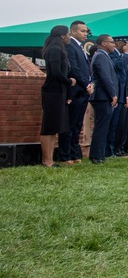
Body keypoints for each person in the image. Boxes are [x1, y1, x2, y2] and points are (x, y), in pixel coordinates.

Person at [60, 20, 93, 164]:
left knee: (78, 125)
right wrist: (86, 83)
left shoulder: (80, 48)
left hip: (83, 91)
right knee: (70, 124)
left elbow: (86, 69)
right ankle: (64, 155)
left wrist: (90, 83)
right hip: (75, 91)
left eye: (86, 31)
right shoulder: (70, 46)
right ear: (73, 31)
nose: (85, 34)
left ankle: (74, 154)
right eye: (82, 31)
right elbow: (73, 68)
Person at [40, 25, 72, 167]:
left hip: (59, 92)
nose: (69, 37)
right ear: (62, 36)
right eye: (68, 34)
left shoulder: (60, 50)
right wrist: (69, 81)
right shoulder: (54, 50)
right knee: (49, 126)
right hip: (52, 92)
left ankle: (51, 159)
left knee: (54, 127)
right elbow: (56, 73)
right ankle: (47, 160)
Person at [88, 35, 119, 164]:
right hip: (102, 96)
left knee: (103, 126)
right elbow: (105, 77)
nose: (114, 45)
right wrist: (113, 94)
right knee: (101, 126)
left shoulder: (104, 56)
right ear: (104, 43)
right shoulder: (100, 56)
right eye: (112, 42)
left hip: (103, 96)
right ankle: (97, 155)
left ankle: (100, 154)